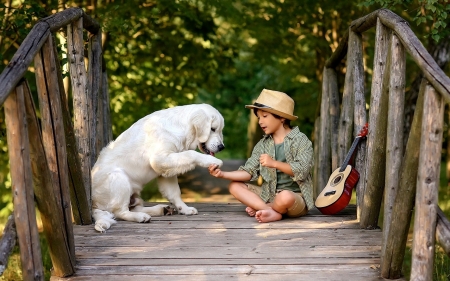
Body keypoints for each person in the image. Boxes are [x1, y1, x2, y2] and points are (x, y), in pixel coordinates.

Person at [208, 89, 314, 223]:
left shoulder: (301, 140)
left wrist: (274, 163)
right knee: (234, 186)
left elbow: (302, 170)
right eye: (258, 117)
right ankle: (269, 210)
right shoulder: (263, 145)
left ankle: (266, 208)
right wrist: (222, 174)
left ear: (281, 117)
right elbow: (249, 171)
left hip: (294, 199)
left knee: (285, 197)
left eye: (265, 116)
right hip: (268, 196)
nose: (260, 122)